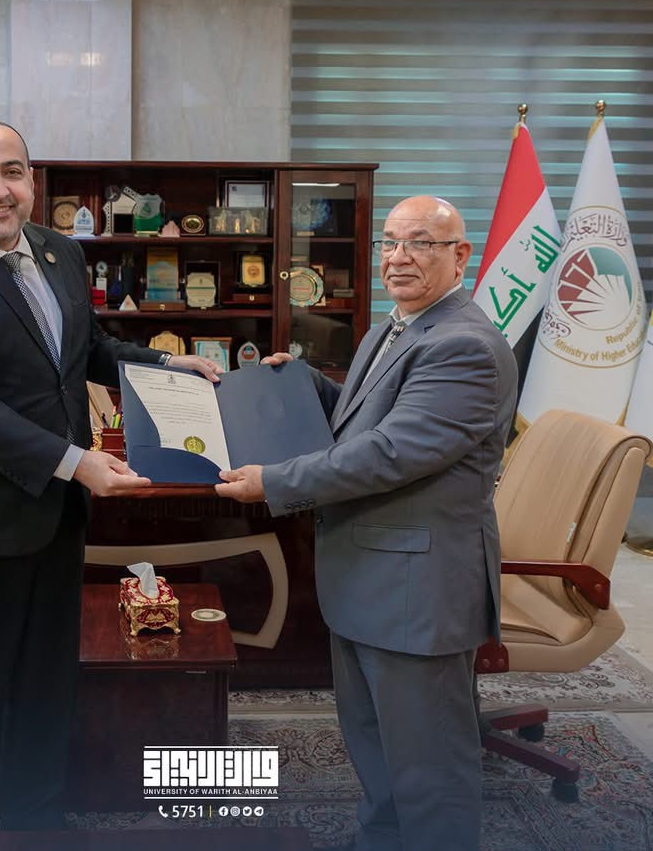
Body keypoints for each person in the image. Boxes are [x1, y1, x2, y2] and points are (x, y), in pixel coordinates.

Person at [0, 120, 221, 849]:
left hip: (50, 514)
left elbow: (87, 350)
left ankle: (34, 821)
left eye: (12, 171)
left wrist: (169, 366)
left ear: (32, 181)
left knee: (44, 682)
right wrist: (75, 462)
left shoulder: (59, 251)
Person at [216, 195, 517, 851]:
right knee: (377, 749)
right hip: (368, 578)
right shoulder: (394, 328)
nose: (399, 258)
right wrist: (306, 385)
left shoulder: (464, 346)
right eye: (390, 242)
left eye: (420, 243)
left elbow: (390, 453)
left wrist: (275, 482)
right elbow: (369, 416)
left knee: (429, 769)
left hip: (417, 590)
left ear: (460, 256)